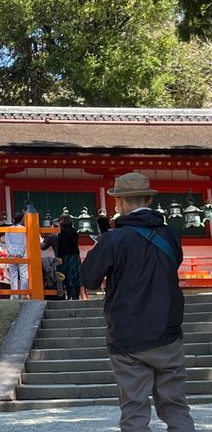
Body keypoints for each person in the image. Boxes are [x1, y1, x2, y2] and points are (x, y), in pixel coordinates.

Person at [81, 172, 195, 432]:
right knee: (176, 407)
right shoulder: (171, 236)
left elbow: (89, 279)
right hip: (168, 331)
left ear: (119, 202)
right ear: (149, 200)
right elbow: (171, 266)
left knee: (134, 410)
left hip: (127, 335)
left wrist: (99, 248)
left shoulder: (113, 239)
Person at [58, 214, 82, 300]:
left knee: (66, 276)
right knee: (76, 276)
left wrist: (59, 256)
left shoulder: (61, 232)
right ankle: (76, 296)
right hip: (75, 255)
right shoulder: (74, 231)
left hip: (66, 256)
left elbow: (60, 246)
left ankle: (69, 295)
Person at [4, 213, 28, 298]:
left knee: (13, 275)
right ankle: (24, 294)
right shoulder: (24, 229)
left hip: (11, 254)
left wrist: (12, 253)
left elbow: (7, 242)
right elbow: (25, 242)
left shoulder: (8, 229)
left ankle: (14, 295)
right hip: (22, 254)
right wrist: (19, 253)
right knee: (23, 274)